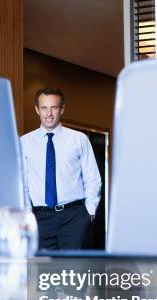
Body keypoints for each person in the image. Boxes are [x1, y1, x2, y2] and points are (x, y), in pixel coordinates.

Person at [20, 87, 101, 250]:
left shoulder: (79, 139)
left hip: (74, 217)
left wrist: (89, 213)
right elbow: (22, 184)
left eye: (54, 107)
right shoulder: (24, 142)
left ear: (62, 109)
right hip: (39, 219)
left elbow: (92, 178)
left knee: (74, 272)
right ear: (37, 109)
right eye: (44, 108)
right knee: (43, 274)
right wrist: (27, 216)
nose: (49, 113)